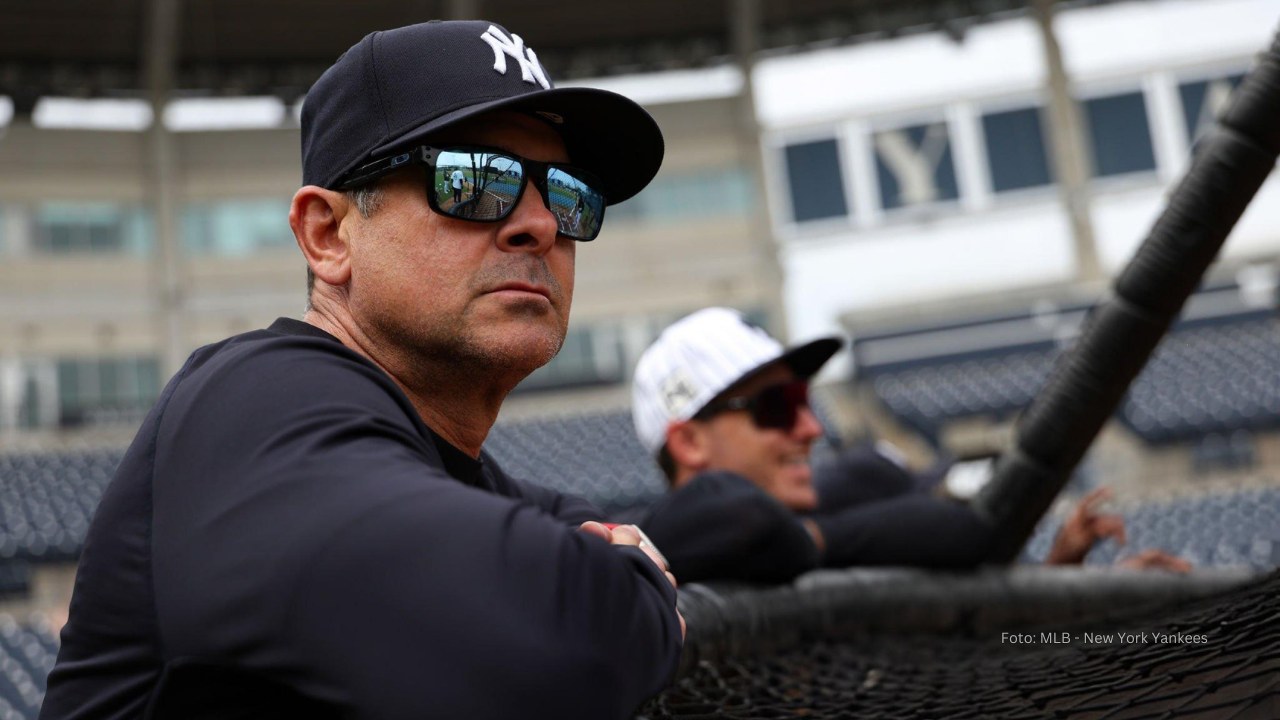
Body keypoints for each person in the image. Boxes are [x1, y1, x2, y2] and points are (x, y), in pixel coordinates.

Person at [40, 20, 682, 720]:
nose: (541, 224)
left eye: (567, 195)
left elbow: (660, 530)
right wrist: (632, 593)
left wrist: (623, 567)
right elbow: (552, 634)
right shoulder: (252, 397)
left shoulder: (448, 465)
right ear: (328, 235)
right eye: (473, 180)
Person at [629, 307, 1190, 584]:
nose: (811, 428)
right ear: (691, 443)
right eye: (776, 408)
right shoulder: (649, 561)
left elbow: (960, 525)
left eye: (805, 400)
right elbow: (733, 521)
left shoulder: (842, 504)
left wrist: (1069, 596)